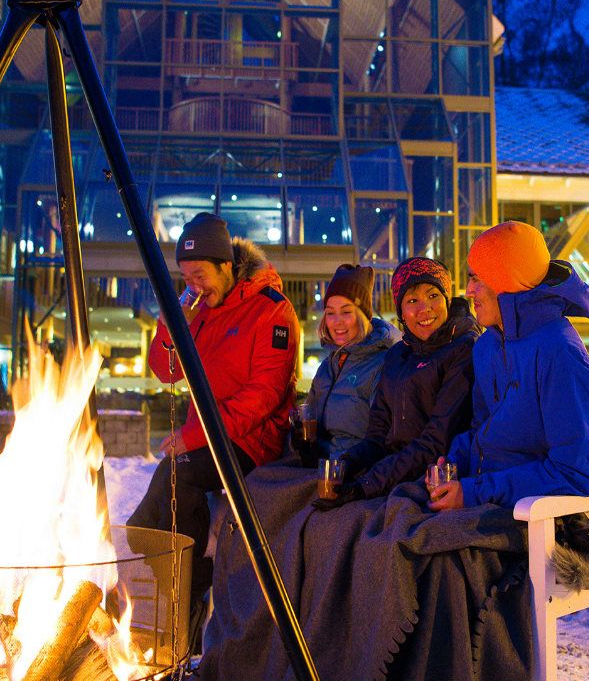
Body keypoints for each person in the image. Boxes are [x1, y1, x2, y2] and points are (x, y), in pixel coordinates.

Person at [126, 212, 299, 604]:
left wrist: (191, 436)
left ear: (227, 265)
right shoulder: (199, 309)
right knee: (171, 476)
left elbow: (263, 398)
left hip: (254, 441)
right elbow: (166, 372)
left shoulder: (271, 310)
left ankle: (184, 572)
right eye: (186, 279)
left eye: (200, 275)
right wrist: (172, 323)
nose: (194, 286)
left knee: (177, 474)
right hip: (211, 436)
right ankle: (163, 562)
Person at [430, 220, 589, 512]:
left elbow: (575, 474)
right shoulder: (487, 345)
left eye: (477, 279)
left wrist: (474, 493)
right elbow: (482, 430)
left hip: (533, 519)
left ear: (506, 283)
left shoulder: (560, 352)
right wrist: (452, 464)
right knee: (383, 523)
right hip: (483, 500)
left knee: (411, 547)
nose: (468, 291)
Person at [313, 256, 479, 510]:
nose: (424, 308)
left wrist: (365, 486)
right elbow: (378, 436)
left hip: (436, 477)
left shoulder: (462, 350)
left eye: (433, 295)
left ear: (447, 298)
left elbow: (436, 441)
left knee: (351, 524)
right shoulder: (398, 356)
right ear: (401, 311)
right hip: (393, 473)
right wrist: (347, 464)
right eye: (412, 301)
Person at [301, 264, 401, 461]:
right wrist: (298, 443)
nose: (337, 321)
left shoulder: (382, 364)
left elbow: (381, 439)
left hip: (351, 468)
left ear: (363, 316)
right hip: (320, 462)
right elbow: (308, 417)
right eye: (330, 313)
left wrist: (344, 463)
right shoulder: (327, 367)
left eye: (346, 312)